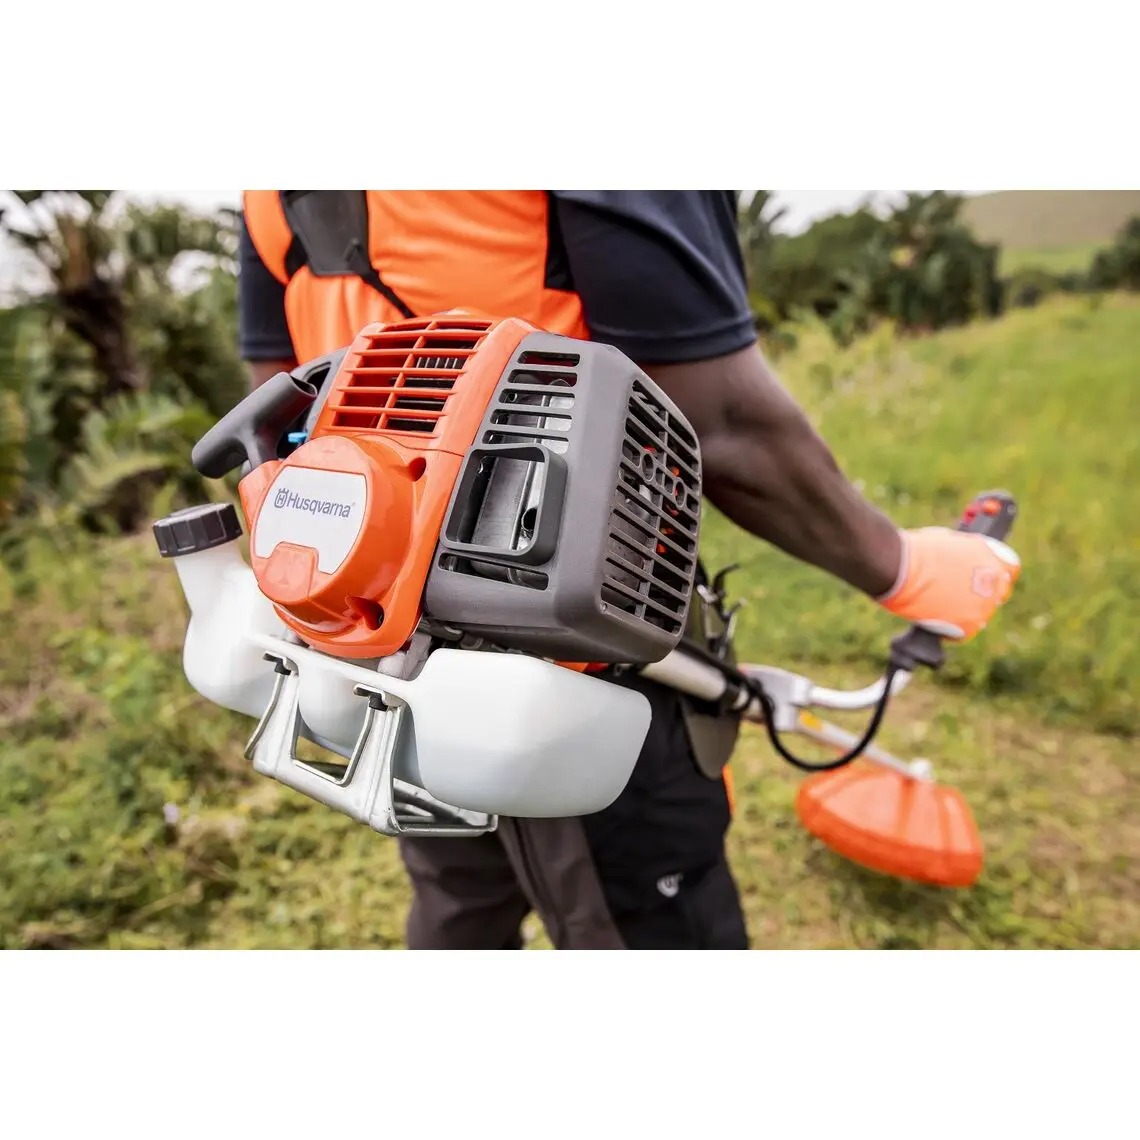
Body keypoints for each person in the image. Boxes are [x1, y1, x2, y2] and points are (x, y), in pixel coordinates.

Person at [237, 190, 1019, 950]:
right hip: (583, 631)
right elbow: (719, 419)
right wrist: (904, 566)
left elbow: (280, 400)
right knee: (649, 919)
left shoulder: (266, 192)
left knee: (461, 899)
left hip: (385, 631)